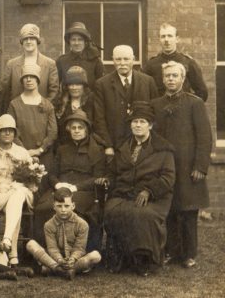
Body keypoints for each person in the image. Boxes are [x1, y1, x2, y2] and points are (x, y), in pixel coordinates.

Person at [151, 61, 212, 268]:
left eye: (175, 75)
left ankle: (189, 253)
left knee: (188, 211)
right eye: (167, 75)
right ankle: (171, 251)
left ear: (182, 78)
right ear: (163, 78)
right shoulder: (156, 105)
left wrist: (200, 167)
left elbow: (205, 137)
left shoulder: (194, 103)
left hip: (188, 166)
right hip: (166, 167)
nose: (170, 79)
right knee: (169, 209)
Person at [104, 102, 175, 277]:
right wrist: (109, 183)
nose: (138, 125)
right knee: (112, 210)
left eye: (142, 121)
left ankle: (145, 260)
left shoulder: (163, 148)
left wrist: (149, 191)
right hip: (124, 193)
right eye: (134, 122)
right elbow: (112, 173)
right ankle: (119, 256)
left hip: (154, 197)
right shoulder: (123, 147)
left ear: (150, 125)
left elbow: (168, 177)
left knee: (143, 215)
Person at [34, 109, 107, 251]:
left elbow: (97, 177)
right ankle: (44, 252)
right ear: (69, 130)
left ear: (86, 130)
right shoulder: (62, 149)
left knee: (73, 209)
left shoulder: (96, 151)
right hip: (60, 189)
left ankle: (75, 251)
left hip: (84, 191)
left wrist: (76, 187)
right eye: (73, 128)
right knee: (43, 208)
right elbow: (52, 174)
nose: (77, 131)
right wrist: (57, 184)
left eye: (80, 128)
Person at [0, 114, 34, 267]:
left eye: (11, 130)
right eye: (3, 130)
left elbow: (31, 179)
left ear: (15, 133)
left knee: (17, 193)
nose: (7, 133)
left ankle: (7, 239)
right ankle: (13, 252)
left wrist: (23, 183)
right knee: (13, 199)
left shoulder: (22, 152)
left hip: (21, 192)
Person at [94, 45, 158, 159]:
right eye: (118, 59)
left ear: (133, 59)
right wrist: (108, 145)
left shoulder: (148, 81)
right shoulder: (102, 84)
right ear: (113, 60)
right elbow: (99, 118)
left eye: (126, 59)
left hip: (143, 144)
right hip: (115, 145)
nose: (122, 63)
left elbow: (155, 114)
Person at [26, 188, 102, 280]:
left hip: (75, 260)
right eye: (59, 206)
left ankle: (54, 269)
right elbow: (52, 248)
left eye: (66, 206)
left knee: (96, 255)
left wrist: (72, 259)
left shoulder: (82, 224)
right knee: (31, 244)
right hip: (55, 259)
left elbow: (80, 248)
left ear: (73, 206)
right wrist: (59, 260)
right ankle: (60, 270)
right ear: (54, 206)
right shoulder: (49, 225)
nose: (63, 210)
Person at [7, 64, 57, 176]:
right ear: (22, 80)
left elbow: (52, 132)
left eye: (32, 76)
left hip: (44, 156)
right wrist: (25, 152)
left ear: (38, 80)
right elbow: (11, 131)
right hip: (20, 155)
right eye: (26, 77)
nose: (29, 79)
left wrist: (40, 150)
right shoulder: (14, 104)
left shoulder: (47, 104)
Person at [142, 23, 208, 101]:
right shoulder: (151, 64)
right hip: (159, 111)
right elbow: (143, 92)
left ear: (177, 39)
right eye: (163, 36)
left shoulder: (188, 62)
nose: (166, 40)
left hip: (182, 110)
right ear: (159, 39)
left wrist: (189, 105)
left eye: (170, 36)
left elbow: (202, 92)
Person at [3, 24, 59, 102]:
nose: (28, 41)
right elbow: (5, 91)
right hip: (17, 111)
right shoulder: (11, 64)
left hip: (41, 110)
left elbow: (54, 91)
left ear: (37, 41)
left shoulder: (50, 64)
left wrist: (45, 107)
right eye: (25, 39)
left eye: (32, 38)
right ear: (22, 42)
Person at [56, 22, 104, 91]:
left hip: (91, 100)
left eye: (80, 39)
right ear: (69, 42)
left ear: (85, 42)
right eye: (73, 40)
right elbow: (55, 85)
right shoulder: (61, 61)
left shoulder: (95, 60)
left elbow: (102, 85)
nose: (76, 43)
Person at [54, 66, 94, 144]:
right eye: (71, 84)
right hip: (64, 146)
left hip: (87, 145)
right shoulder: (60, 103)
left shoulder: (91, 102)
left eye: (78, 84)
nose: (74, 87)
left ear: (84, 85)